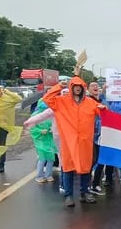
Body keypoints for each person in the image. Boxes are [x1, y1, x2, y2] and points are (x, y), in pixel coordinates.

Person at [42, 76, 102, 207]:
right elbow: (47, 99)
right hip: (69, 142)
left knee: (86, 168)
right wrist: (58, 87)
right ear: (71, 88)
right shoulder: (61, 101)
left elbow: (102, 112)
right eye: (75, 87)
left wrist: (103, 107)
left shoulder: (90, 103)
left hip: (85, 142)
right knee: (68, 168)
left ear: (83, 88)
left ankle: (84, 192)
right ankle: (68, 195)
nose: (77, 89)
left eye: (80, 87)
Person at [28, 101, 58, 184]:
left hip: (50, 139)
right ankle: (39, 176)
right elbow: (32, 128)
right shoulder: (35, 115)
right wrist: (40, 131)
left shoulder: (50, 114)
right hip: (40, 140)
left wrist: (53, 129)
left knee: (51, 158)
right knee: (42, 158)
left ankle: (48, 175)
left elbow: (55, 124)